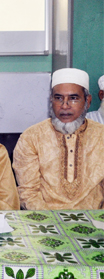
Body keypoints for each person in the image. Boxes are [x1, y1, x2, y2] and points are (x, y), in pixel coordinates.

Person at [13, 68, 104, 210]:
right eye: (58, 98)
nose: (64, 105)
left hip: (95, 223)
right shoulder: (31, 137)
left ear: (87, 101)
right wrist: (52, 224)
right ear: (51, 100)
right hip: (46, 222)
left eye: (73, 98)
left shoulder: (101, 136)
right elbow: (28, 193)